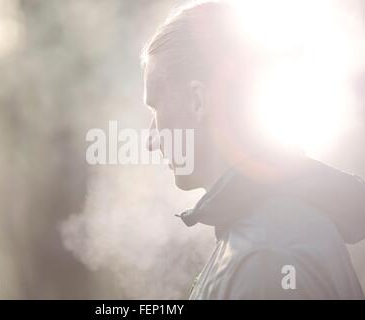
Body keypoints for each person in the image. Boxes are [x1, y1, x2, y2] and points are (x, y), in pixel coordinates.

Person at [141, 0, 365, 299]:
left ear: (197, 100)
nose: (150, 139)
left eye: (155, 108)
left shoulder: (266, 257)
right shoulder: (261, 239)